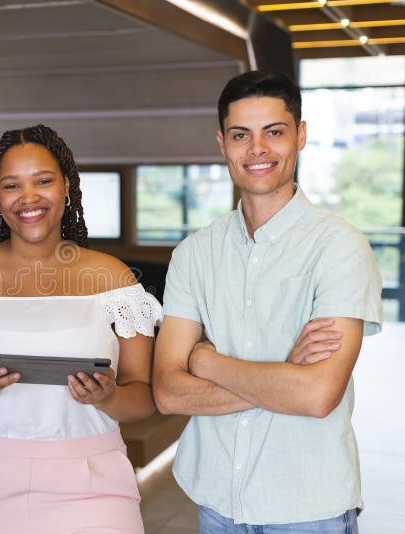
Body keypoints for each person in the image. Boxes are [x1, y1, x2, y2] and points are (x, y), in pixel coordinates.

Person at [153, 70, 383, 533]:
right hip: (216, 504)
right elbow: (169, 392)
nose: (257, 150)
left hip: (308, 508)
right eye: (241, 135)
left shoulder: (339, 247)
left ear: (300, 135)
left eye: (273, 132)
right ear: (222, 142)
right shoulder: (194, 254)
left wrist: (207, 361)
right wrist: (283, 375)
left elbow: (316, 395)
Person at [0, 124, 161, 533]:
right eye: (12, 185)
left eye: (42, 181)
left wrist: (109, 397)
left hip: (92, 482)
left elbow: (144, 398)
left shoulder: (114, 279)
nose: (28, 198)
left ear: (66, 187)